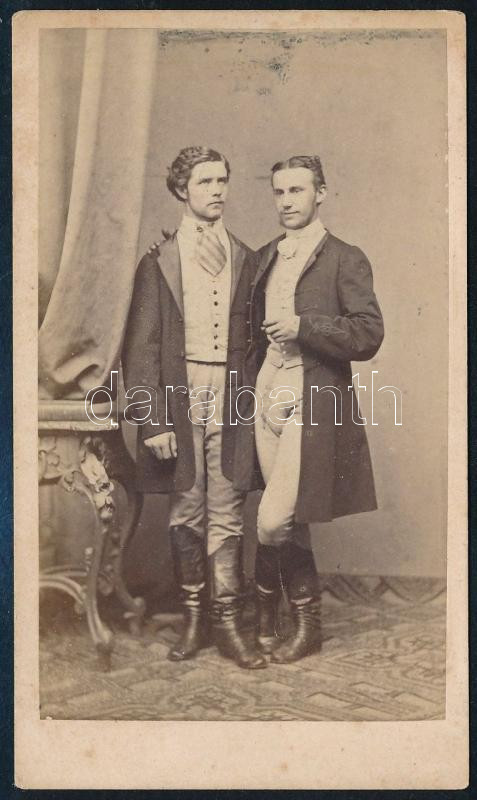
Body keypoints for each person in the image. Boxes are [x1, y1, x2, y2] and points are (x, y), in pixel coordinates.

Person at [236, 155, 384, 663]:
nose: (286, 201)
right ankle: (291, 624)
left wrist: (305, 326)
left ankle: (275, 611)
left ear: (320, 193)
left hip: (311, 392)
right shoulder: (263, 256)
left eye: (297, 191)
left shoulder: (345, 257)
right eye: (279, 192)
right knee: (289, 517)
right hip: (266, 388)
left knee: (272, 519)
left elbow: (368, 334)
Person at [122, 146, 266, 669]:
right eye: (205, 182)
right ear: (182, 189)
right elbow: (140, 349)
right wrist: (153, 422)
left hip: (231, 394)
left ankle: (228, 623)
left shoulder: (247, 258)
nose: (217, 190)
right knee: (186, 507)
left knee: (228, 506)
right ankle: (194, 619)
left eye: (222, 180)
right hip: (179, 395)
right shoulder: (158, 261)